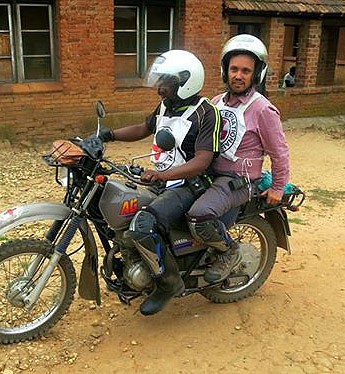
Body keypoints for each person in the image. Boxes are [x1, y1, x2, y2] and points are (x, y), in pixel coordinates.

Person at [99, 49, 220, 315]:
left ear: (186, 82)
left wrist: (162, 175)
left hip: (191, 184)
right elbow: (144, 128)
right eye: (160, 82)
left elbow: (201, 161)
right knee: (118, 210)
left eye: (166, 83)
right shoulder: (168, 105)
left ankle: (168, 283)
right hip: (164, 180)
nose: (160, 89)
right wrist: (107, 135)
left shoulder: (206, 112)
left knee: (143, 223)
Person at [186, 34, 290, 283]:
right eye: (234, 69)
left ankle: (229, 252)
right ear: (225, 70)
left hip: (237, 180)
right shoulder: (216, 102)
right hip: (209, 172)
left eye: (245, 70)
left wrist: (278, 186)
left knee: (199, 213)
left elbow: (280, 151)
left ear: (256, 75)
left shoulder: (262, 109)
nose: (238, 75)